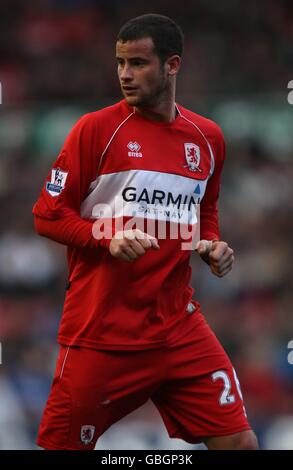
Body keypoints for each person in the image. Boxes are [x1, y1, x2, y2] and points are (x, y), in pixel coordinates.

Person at [33, 14, 258, 450]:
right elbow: (47, 215)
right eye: (120, 63)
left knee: (241, 444)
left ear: (172, 66)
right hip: (101, 335)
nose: (124, 74)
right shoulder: (95, 130)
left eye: (137, 63)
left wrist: (209, 244)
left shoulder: (207, 137)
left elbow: (203, 208)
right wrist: (107, 236)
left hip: (179, 328)